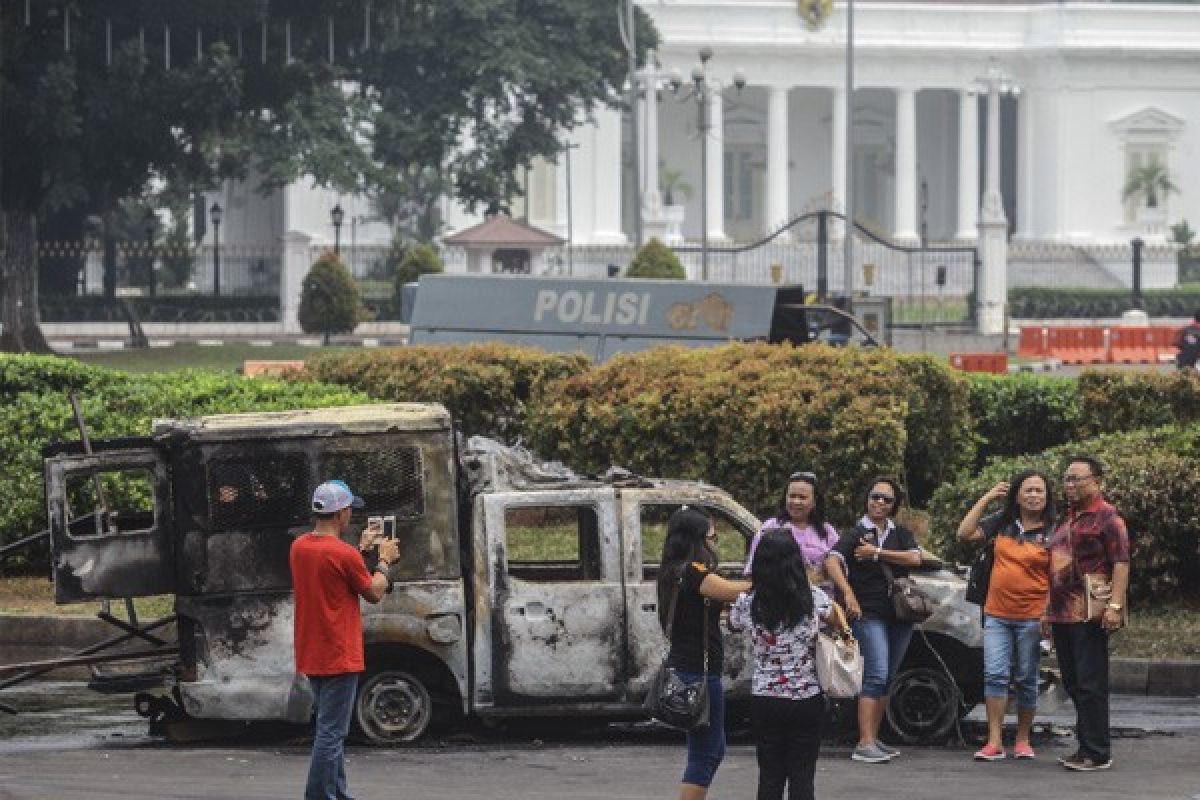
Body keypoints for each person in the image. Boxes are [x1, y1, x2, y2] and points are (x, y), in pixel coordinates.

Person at [290, 480, 399, 800]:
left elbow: (334, 572)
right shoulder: (344, 554)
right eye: (350, 509)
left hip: (311, 650)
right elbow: (374, 592)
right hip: (339, 652)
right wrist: (384, 561)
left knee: (329, 727)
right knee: (331, 733)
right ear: (341, 514)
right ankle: (319, 796)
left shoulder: (299, 547)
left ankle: (337, 793)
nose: (352, 515)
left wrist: (361, 549)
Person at [957, 471, 1056, 761]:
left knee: (1026, 677)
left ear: (1047, 495)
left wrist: (1048, 611)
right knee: (995, 675)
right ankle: (995, 740)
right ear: (1017, 494)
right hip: (997, 613)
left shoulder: (1054, 529)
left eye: (1039, 490)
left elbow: (1058, 574)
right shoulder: (1002, 522)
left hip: (1032, 615)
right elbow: (964, 533)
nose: (1034, 495)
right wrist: (987, 498)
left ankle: (1023, 740)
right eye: (1028, 490)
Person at [824, 477, 922, 764]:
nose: (879, 502)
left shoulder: (899, 533)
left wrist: (877, 553)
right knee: (876, 674)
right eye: (875, 496)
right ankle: (864, 742)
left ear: (894, 505)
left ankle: (874, 738)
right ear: (867, 499)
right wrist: (847, 591)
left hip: (900, 614)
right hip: (869, 613)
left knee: (888, 677)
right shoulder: (856, 533)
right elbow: (831, 560)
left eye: (886, 499)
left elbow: (915, 558)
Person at [657, 506, 751, 800]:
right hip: (697, 671)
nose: (715, 542)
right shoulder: (695, 573)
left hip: (687, 667)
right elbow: (735, 591)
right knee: (706, 752)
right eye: (712, 536)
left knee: (711, 747)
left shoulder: (672, 570)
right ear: (698, 540)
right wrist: (775, 575)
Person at [1043, 457, 1130, 772]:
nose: (1070, 485)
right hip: (1062, 612)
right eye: (1067, 479)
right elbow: (1054, 567)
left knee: (1091, 683)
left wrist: (1115, 606)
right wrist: (1046, 611)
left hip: (1090, 611)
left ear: (1097, 481)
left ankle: (1097, 751)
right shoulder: (1066, 519)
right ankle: (1085, 746)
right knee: (1075, 683)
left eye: (1077, 479)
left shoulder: (1108, 518)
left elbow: (1120, 562)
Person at [730, 531, 832, 800]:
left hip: (765, 697)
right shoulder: (815, 599)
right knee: (802, 776)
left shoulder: (747, 603)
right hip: (806, 696)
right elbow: (835, 618)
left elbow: (733, 623)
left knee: (770, 776)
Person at [744, 471, 839, 596]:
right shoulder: (770, 528)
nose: (796, 502)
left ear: (815, 501)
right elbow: (752, 573)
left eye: (802, 497)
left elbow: (839, 572)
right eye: (792, 496)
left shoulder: (827, 533)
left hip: (820, 604)